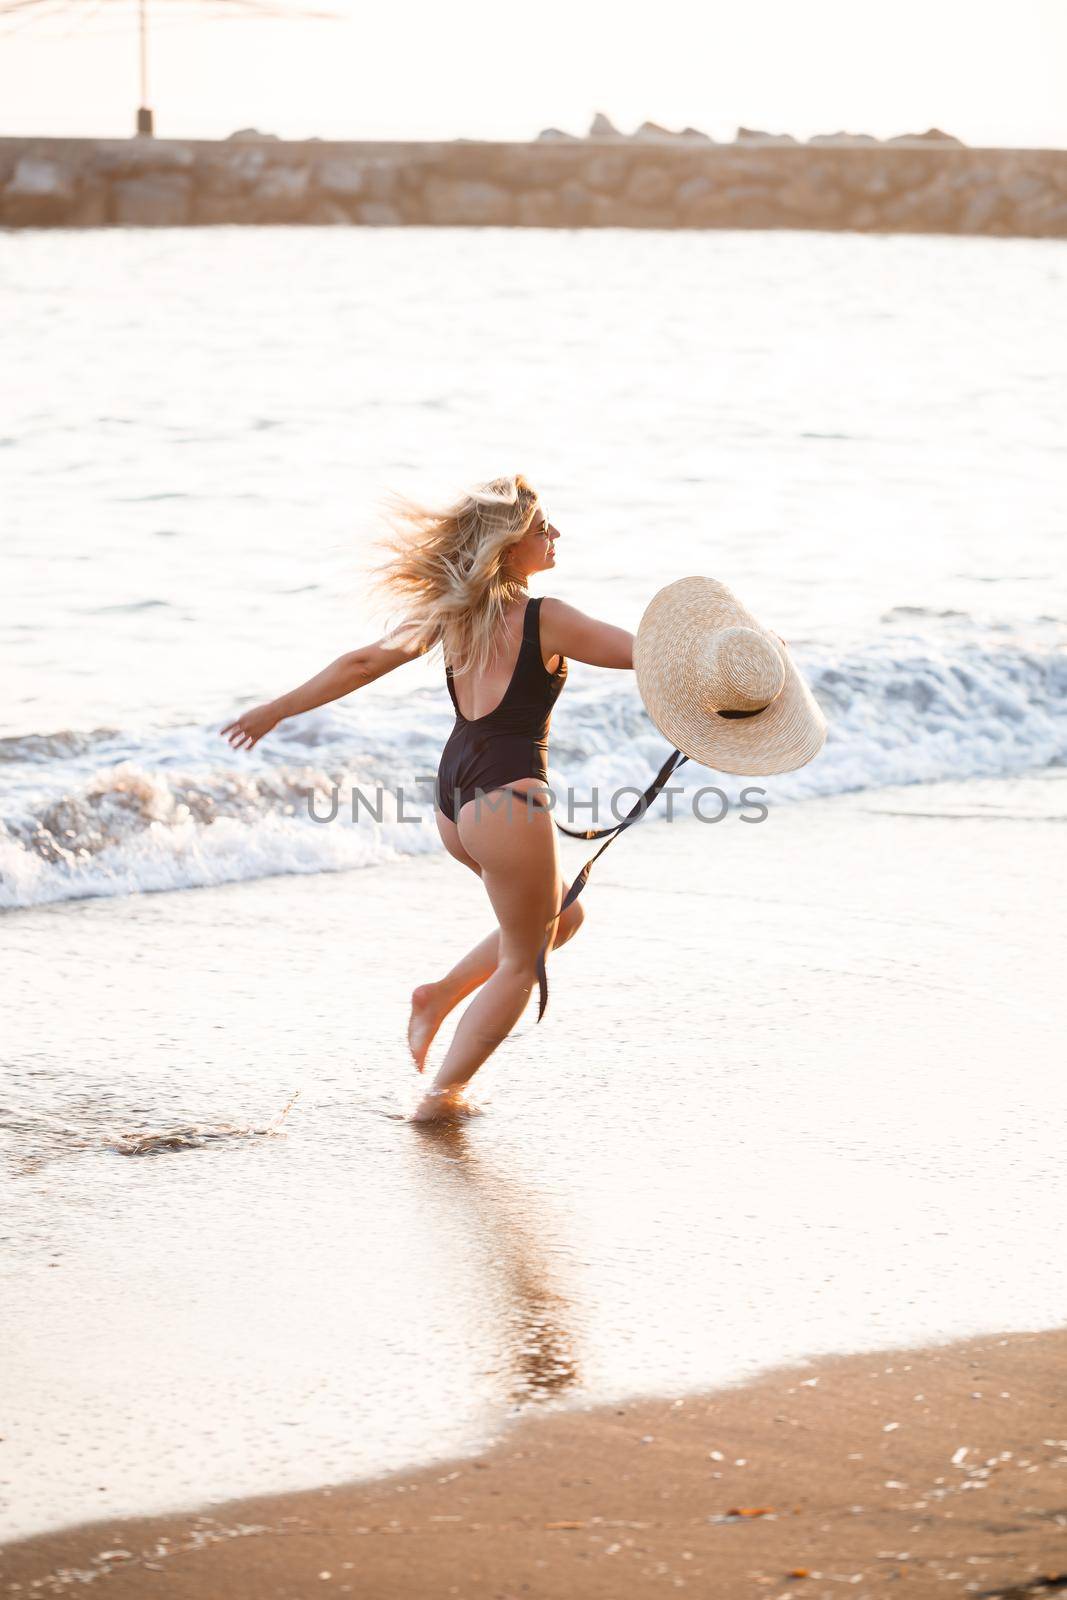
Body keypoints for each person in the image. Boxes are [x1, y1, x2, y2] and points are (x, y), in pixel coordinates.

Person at [220, 473, 634, 1122]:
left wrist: (276, 710)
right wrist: (746, 661)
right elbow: (649, 657)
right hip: (509, 798)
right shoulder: (546, 617)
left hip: (454, 799)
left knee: (563, 918)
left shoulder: (452, 614)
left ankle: (437, 996)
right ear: (506, 544)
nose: (554, 535)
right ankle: (440, 1099)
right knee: (522, 963)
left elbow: (359, 664)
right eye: (540, 527)